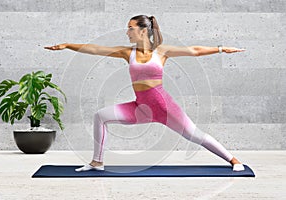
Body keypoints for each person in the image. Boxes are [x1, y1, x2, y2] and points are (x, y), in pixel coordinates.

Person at [45, 15, 246, 172]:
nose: (127, 32)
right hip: (140, 108)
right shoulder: (127, 52)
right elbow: (97, 49)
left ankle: (233, 160)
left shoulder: (162, 51)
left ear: (143, 31)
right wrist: (67, 45)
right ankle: (97, 162)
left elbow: (194, 50)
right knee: (100, 116)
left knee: (195, 135)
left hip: (164, 108)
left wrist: (221, 49)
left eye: (130, 28)